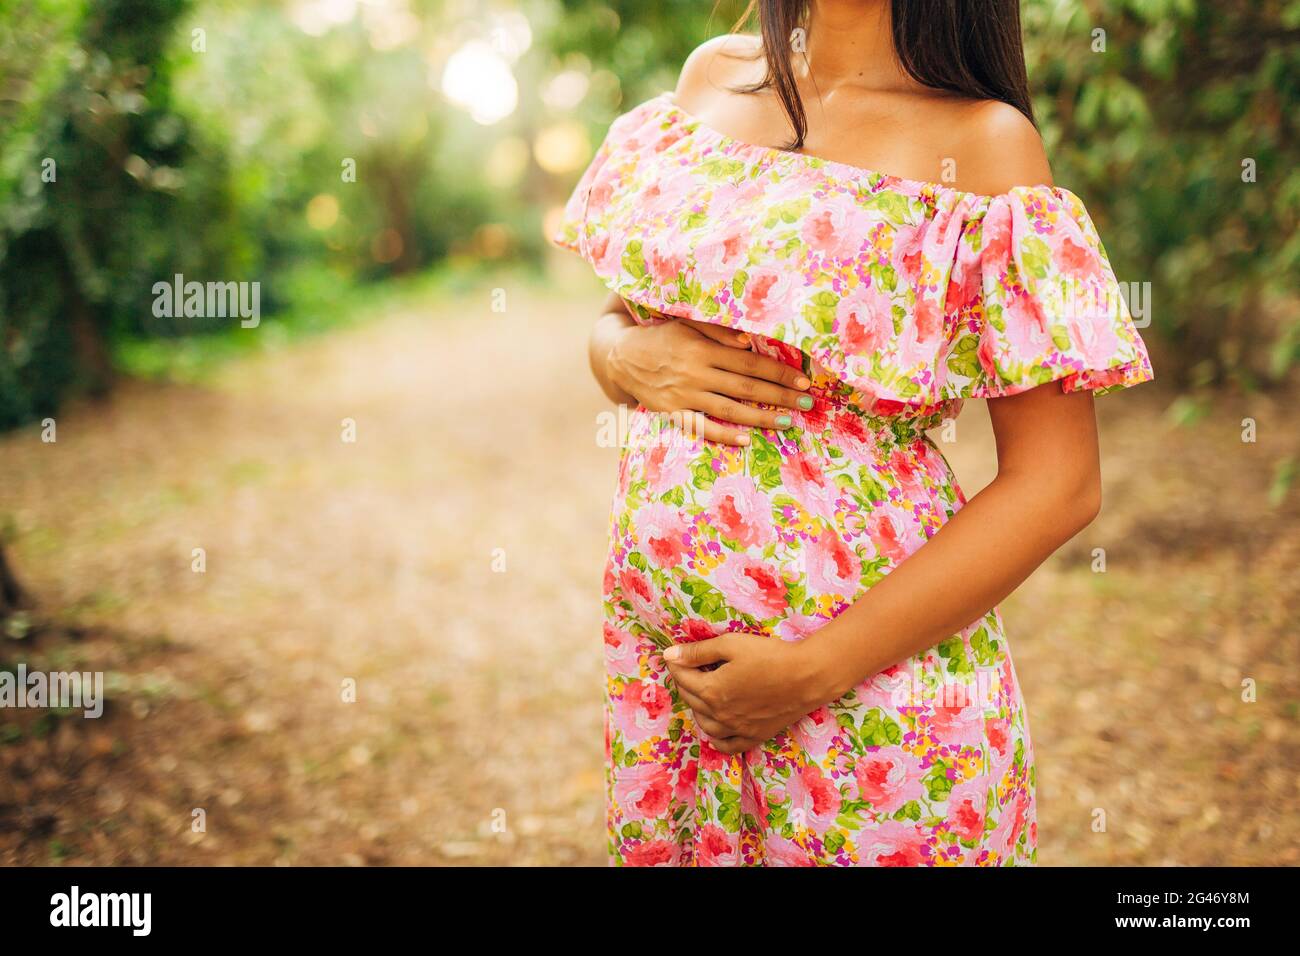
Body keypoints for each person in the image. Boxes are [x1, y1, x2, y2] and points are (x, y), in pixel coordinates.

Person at [552, 0, 1153, 866]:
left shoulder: (984, 141)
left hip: (873, 705)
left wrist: (809, 672)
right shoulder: (711, 80)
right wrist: (619, 357)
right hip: (673, 690)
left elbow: (1058, 484)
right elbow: (625, 320)